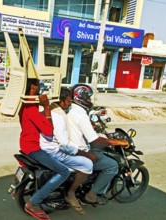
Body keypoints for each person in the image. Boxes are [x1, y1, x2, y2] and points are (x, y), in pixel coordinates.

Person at [67, 84, 129, 205]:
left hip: (69, 148)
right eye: (88, 98)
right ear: (82, 98)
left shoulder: (70, 110)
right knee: (112, 165)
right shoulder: (81, 114)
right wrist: (118, 142)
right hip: (80, 152)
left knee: (99, 152)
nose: (90, 100)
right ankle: (92, 195)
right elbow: (95, 140)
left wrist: (93, 126)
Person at [19, 78, 71, 220]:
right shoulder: (32, 109)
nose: (41, 89)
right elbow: (48, 132)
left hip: (24, 144)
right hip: (34, 149)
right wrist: (47, 107)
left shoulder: (23, 105)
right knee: (64, 171)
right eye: (38, 86)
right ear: (33, 88)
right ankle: (33, 203)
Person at [40, 87, 97, 215]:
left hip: (44, 148)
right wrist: (85, 154)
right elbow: (65, 145)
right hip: (54, 151)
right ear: (61, 102)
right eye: (68, 102)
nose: (70, 104)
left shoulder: (50, 111)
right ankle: (70, 193)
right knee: (87, 164)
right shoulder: (58, 116)